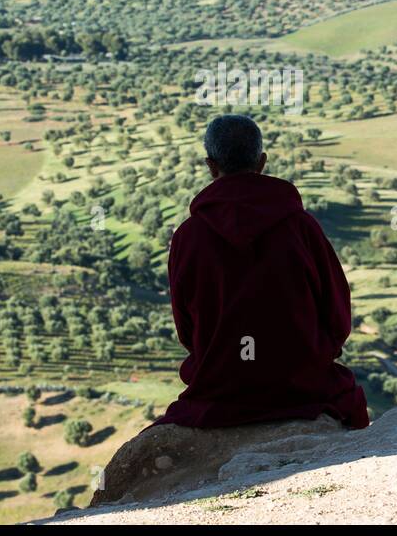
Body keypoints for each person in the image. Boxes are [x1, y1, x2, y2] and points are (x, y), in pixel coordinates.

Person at [153, 114, 369, 429]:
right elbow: (337, 314)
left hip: (221, 387)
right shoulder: (300, 227)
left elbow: (187, 330)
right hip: (301, 384)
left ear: (211, 166)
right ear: (262, 162)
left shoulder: (188, 237)